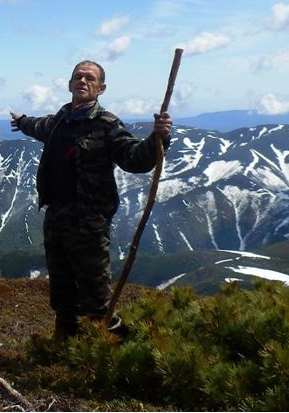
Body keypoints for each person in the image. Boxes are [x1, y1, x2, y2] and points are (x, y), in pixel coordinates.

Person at [10, 60, 172, 337]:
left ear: (101, 88)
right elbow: (38, 126)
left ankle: (114, 351)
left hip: (89, 223)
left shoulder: (107, 125)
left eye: (89, 78)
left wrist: (158, 138)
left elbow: (134, 159)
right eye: (78, 77)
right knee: (62, 292)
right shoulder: (60, 120)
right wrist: (22, 122)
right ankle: (65, 348)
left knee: (95, 298)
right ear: (70, 84)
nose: (82, 81)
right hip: (56, 218)